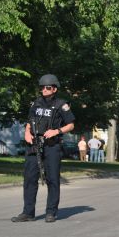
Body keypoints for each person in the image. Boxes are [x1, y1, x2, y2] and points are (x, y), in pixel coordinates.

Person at [12, 74, 75, 223]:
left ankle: (51, 212)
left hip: (52, 145)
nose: (44, 90)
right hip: (34, 144)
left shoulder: (61, 104)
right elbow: (29, 121)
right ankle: (28, 212)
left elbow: (71, 124)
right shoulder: (36, 103)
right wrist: (27, 133)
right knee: (29, 178)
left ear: (54, 89)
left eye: (47, 87)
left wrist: (57, 131)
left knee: (52, 179)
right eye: (42, 88)